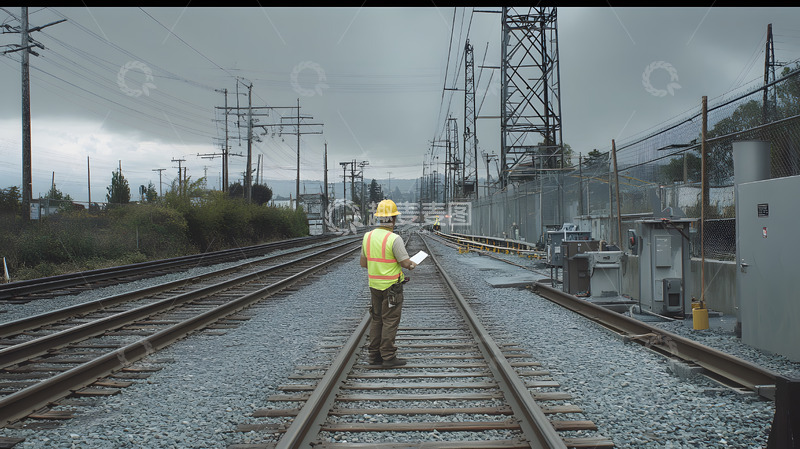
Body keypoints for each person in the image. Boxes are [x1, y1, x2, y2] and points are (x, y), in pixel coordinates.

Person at [360, 199, 417, 367]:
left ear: (379, 218)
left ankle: (374, 355)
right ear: (393, 218)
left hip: (374, 286)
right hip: (392, 287)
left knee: (377, 319)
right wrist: (413, 264)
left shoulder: (367, 237)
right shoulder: (394, 239)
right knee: (390, 320)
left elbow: (363, 264)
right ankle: (388, 356)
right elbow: (406, 263)